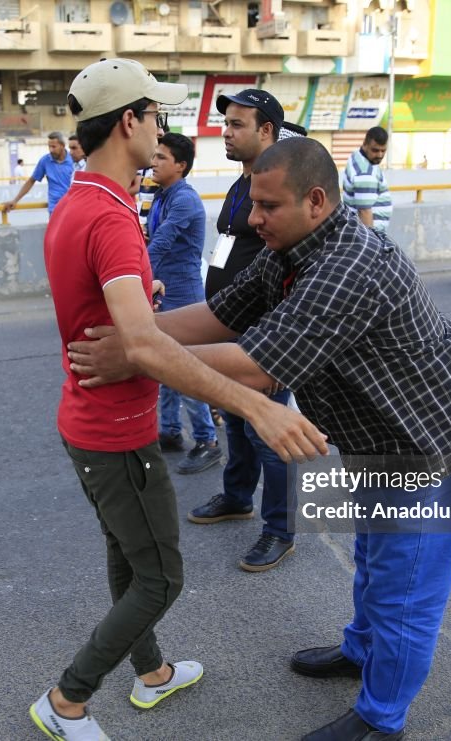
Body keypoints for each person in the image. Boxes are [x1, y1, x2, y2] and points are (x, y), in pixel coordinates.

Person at [66, 137, 451, 741]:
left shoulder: (350, 265)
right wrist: (137, 330)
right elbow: (221, 315)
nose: (252, 218)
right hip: (382, 444)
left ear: (316, 200)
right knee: (374, 565)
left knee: (406, 597)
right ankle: (361, 651)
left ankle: (382, 720)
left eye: (267, 206)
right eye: (251, 204)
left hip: (437, 454)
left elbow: (256, 363)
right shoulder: (291, 251)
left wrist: (135, 356)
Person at [30, 58, 327, 741]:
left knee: (129, 557)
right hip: (114, 430)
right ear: (129, 122)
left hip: (89, 423)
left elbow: (120, 320)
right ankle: (67, 700)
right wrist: (255, 404)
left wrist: (139, 307)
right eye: (156, 117)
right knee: (160, 580)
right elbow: (144, 346)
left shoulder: (82, 198)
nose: (162, 130)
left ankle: (153, 672)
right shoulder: (109, 217)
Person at [192, 87, 298, 573]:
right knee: (235, 418)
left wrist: (280, 349)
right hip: (228, 321)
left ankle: (280, 529)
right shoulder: (243, 181)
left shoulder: (284, 185)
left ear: (267, 132)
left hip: (262, 336)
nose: (225, 133)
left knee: (268, 430)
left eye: (237, 126)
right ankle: (237, 496)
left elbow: (296, 268)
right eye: (225, 124)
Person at [148, 132, 223, 475]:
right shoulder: (162, 196)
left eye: (162, 157)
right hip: (165, 291)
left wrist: (134, 275)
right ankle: (171, 431)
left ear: (180, 166)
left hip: (184, 293)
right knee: (165, 367)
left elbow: (160, 242)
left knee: (185, 369)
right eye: (155, 155)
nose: (154, 161)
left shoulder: (184, 201)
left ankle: (207, 440)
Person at [1, 132, 74, 214]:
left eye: (54, 147)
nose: (51, 150)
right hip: (55, 210)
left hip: (73, 208)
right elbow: (31, 181)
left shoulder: (74, 159)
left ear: (62, 146)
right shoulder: (45, 161)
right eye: (49, 146)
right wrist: (15, 200)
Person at [342, 126, 392, 236]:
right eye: (375, 150)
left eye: (383, 150)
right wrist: (371, 244)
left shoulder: (358, 156)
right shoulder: (365, 173)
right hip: (368, 235)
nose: (380, 155)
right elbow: (364, 211)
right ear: (365, 144)